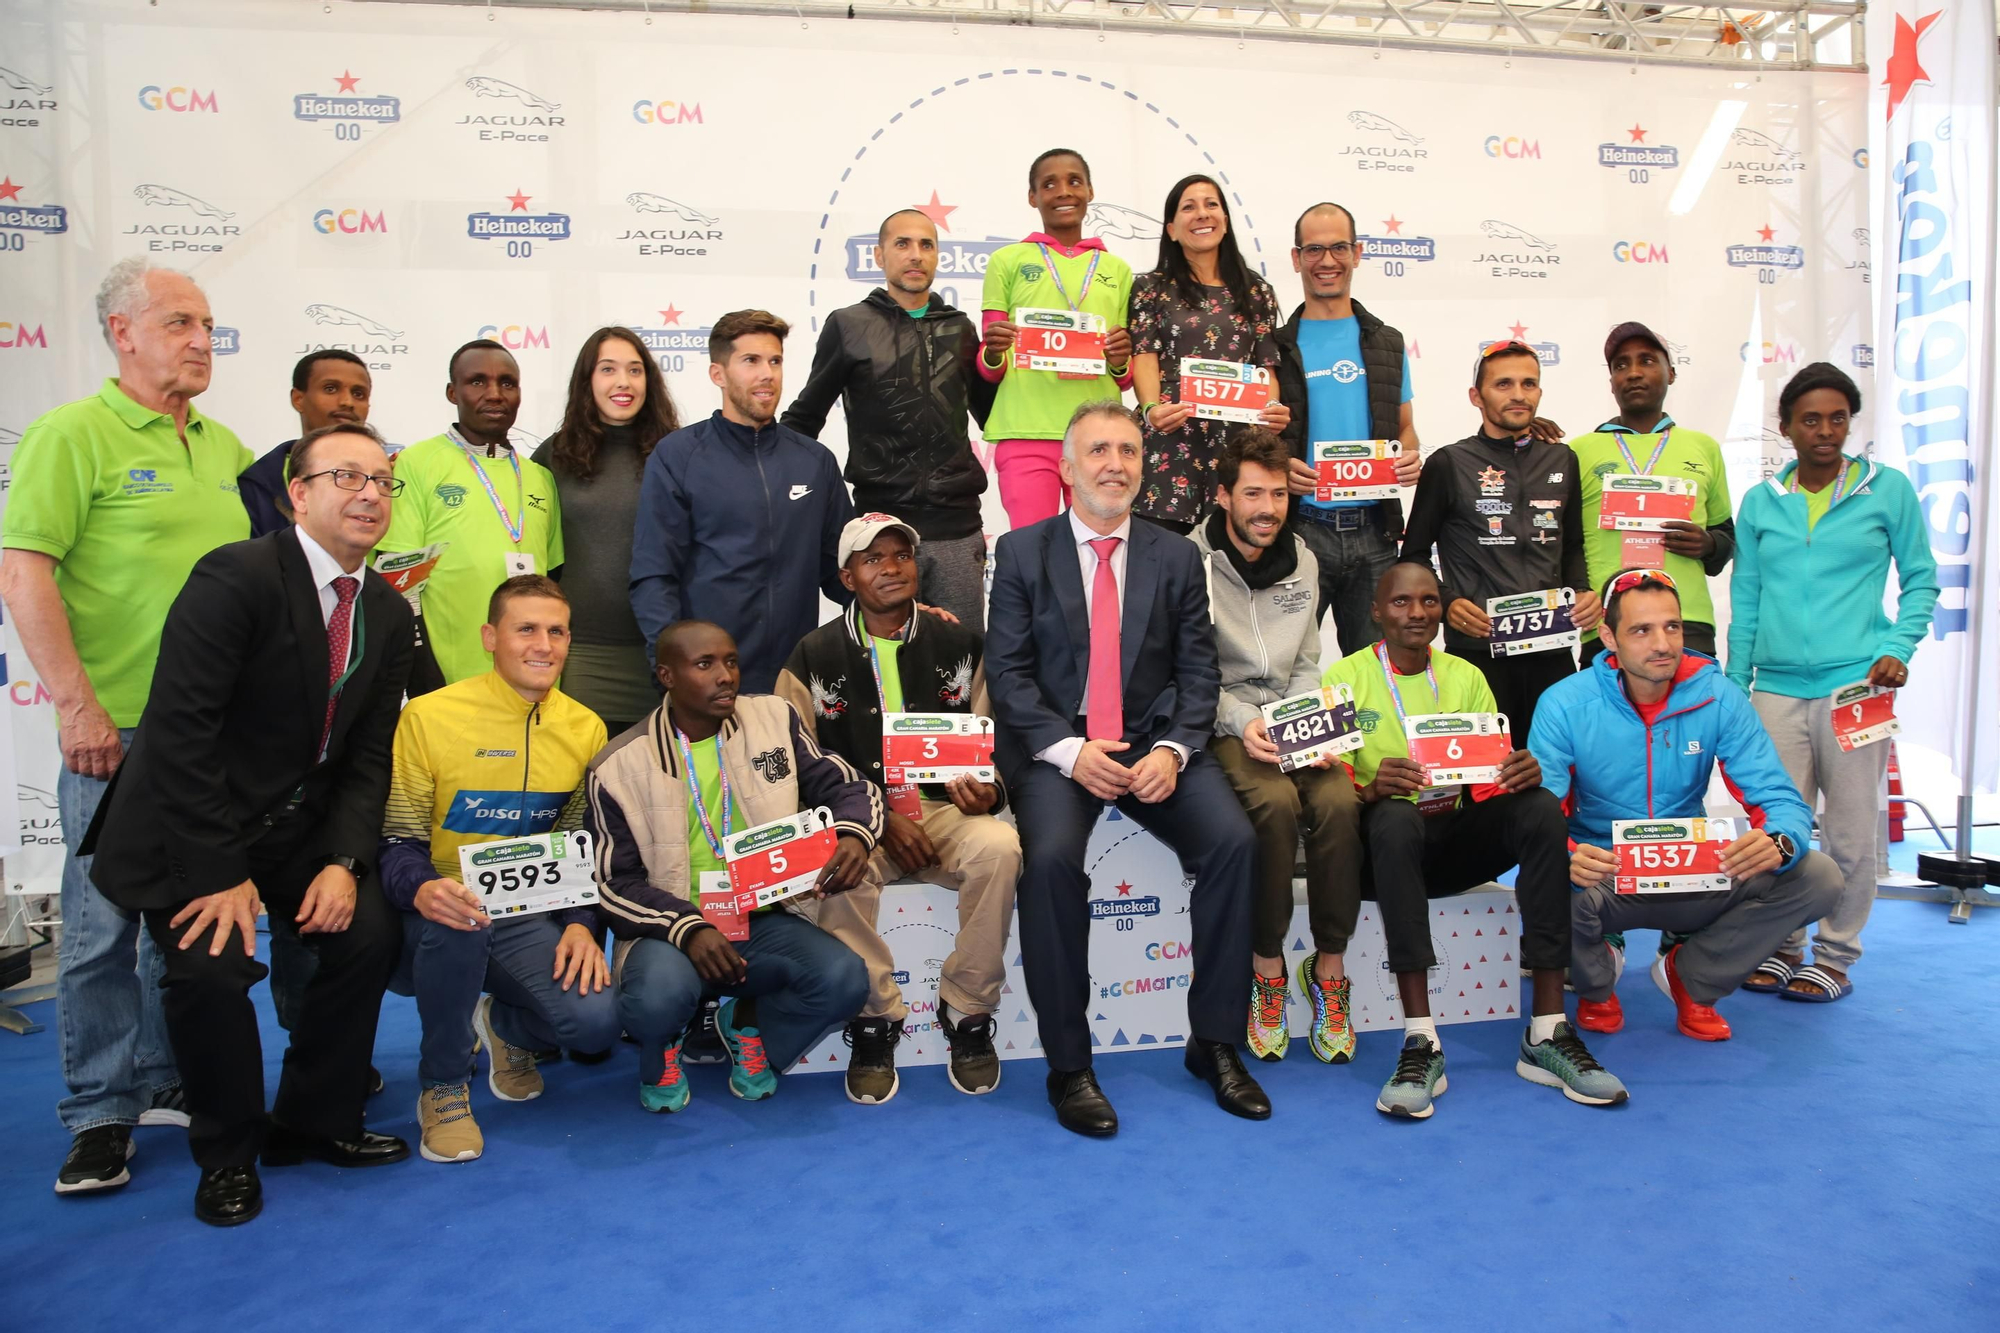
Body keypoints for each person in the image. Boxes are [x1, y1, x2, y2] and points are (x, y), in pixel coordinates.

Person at [78, 422, 415, 1226]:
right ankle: (226, 1152)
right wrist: (221, 872)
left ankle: (313, 1118)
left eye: (382, 480)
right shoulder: (236, 575)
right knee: (207, 968)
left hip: (298, 830)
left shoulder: (391, 611)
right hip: (190, 826)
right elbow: (179, 734)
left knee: (367, 932)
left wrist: (344, 860)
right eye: (346, 476)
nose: (369, 492)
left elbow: (368, 759)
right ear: (297, 494)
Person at [0, 258, 252, 1195]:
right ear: (124, 331)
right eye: (181, 322)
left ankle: (164, 1077)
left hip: (212, 737)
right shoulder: (75, 434)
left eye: (208, 324)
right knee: (103, 925)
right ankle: (99, 1111)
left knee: (181, 925)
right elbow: (23, 574)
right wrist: (75, 703)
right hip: (117, 730)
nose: (201, 339)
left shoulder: (227, 448)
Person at [985, 400, 1267, 1136]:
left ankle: (1214, 1041)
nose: (1116, 464)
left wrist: (1174, 750)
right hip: (1059, 750)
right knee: (1046, 860)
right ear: (1066, 468)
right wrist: (1071, 753)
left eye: (1129, 451)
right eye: (1100, 450)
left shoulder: (1176, 555)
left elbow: (1200, 675)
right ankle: (1069, 1065)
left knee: (1234, 842)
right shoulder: (1021, 552)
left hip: (1151, 743)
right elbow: (1010, 678)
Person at [1323, 561, 1617, 1118]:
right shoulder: (1345, 678)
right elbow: (1323, 783)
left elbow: (1483, 784)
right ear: (1377, 611)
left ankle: (1549, 1028)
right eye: (1403, 602)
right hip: (1379, 851)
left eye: (1430, 601)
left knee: (1538, 810)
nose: (1418, 613)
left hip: (1453, 844)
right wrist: (1367, 788)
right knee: (1392, 817)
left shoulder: (1465, 675)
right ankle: (1419, 1040)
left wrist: (1515, 776)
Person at [1531, 568, 1844, 1041]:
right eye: (1642, 630)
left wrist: (1782, 839)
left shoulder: (1718, 695)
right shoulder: (1563, 703)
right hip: (1606, 873)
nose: (1663, 644)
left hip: (1696, 869)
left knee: (1819, 875)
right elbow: (1539, 814)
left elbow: (1776, 794)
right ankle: (1597, 983)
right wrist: (1567, 854)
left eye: (1672, 626)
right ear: (1608, 637)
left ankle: (1693, 976)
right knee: (1541, 876)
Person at [775, 514, 1021, 1104]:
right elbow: (794, 766)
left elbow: (995, 742)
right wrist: (875, 822)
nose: (890, 567)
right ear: (846, 577)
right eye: (872, 559)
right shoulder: (811, 655)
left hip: (944, 812)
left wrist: (989, 790)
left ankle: (966, 1010)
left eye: (900, 555)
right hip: (858, 822)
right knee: (832, 871)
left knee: (1000, 846)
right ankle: (876, 1020)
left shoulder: (961, 643)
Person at [586, 621, 877, 1113]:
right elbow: (614, 883)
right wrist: (686, 927)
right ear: (666, 676)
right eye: (705, 665)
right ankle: (663, 1047)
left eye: (731, 661)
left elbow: (849, 784)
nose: (726, 676)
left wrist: (853, 833)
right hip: (672, 932)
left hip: (761, 919)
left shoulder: (773, 719)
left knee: (844, 979)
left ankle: (749, 1023)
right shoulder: (616, 766)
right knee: (656, 1000)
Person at [377, 575, 619, 1164]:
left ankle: (507, 1025)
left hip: (524, 915)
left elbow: (576, 845)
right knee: (463, 920)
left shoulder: (587, 727)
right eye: (526, 629)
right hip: (435, 913)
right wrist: (425, 888)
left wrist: (583, 923)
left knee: (597, 1026)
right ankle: (444, 1084)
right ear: (491, 637)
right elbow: (396, 840)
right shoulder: (429, 717)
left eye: (556, 631)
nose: (544, 644)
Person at [1728, 365, 1938, 1003]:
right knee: (1775, 830)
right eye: (1810, 420)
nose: (1826, 431)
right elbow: (1748, 598)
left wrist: (1897, 647)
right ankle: (1781, 945)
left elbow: (1922, 579)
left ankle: (1836, 956)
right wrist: (1737, 684)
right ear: (1787, 427)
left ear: (1851, 422)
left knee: (1850, 830)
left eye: (1838, 418)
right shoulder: (1762, 502)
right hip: (1776, 690)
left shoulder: (1887, 490)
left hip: (1856, 689)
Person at [1190, 428, 1361, 1065]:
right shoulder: (1187, 559)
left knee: (1341, 802)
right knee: (1274, 805)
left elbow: (1309, 661)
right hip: (1224, 720)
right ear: (1224, 496)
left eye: (1280, 494)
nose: (1268, 507)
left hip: (1289, 716)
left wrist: (1311, 719)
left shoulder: (1307, 561)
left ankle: (1330, 972)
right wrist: (1240, 720)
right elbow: (1186, 673)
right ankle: (1266, 971)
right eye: (1253, 493)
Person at [782, 209, 997, 630]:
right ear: (879, 255)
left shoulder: (960, 329)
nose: (915, 255)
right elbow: (806, 417)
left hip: (957, 528)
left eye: (926, 245)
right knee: (883, 670)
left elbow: (996, 417)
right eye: (903, 244)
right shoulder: (848, 326)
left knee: (962, 668)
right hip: (880, 532)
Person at [630, 309, 854, 694]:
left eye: (775, 361)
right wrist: (671, 667)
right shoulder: (678, 456)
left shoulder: (815, 461)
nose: (767, 373)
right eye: (750, 361)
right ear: (718, 374)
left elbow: (843, 573)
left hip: (794, 682)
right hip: (707, 684)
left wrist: (902, 613)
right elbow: (654, 575)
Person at [1399, 341, 1601, 741]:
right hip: (1478, 653)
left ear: (1540, 392)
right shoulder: (1448, 463)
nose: (1518, 394)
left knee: (1554, 771)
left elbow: (1572, 544)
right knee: (1485, 779)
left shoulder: (1562, 458)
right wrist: (1448, 601)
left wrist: (1582, 590)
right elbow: (1413, 558)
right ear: (1477, 396)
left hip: (1552, 649)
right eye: (1503, 384)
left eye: (1529, 384)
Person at [1271, 203, 1422, 653]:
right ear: (1297, 259)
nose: (1327, 261)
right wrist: (1283, 469)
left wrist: (1408, 457)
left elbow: (1406, 428)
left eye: (1338, 247)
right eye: (1314, 249)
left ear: (1357, 253)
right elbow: (1260, 439)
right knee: (1287, 666)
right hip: (1302, 531)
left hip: (1376, 533)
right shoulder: (1275, 345)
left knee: (1377, 671)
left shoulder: (1386, 342)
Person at [379, 339, 563, 689]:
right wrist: (421, 668)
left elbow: (551, 578)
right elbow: (399, 584)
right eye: (478, 381)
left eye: (507, 383)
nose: (494, 393)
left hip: (531, 682)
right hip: (448, 679)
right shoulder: (416, 464)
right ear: (453, 392)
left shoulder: (541, 477)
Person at [531, 326, 680, 735]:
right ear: (587, 381)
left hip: (663, 654)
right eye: (608, 369)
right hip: (583, 656)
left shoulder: (678, 454)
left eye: (635, 370)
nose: (623, 382)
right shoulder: (553, 455)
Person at [977, 149, 1137, 528]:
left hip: (1100, 434)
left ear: (1090, 191)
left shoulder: (1118, 269)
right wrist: (996, 351)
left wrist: (1119, 358)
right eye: (1049, 184)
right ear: (1033, 197)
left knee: (1103, 548)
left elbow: (1126, 375)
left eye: (1074, 181)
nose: (1063, 192)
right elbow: (988, 366)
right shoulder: (1007, 260)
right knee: (1034, 552)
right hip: (1026, 430)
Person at [1129, 175, 1289, 533]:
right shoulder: (1149, 289)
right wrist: (1152, 410)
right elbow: (1144, 355)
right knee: (1164, 567)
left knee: (1231, 561)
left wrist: (1272, 412)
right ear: (1171, 229)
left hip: (1238, 447)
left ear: (1226, 221)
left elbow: (1267, 368)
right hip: (1170, 443)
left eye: (1211, 204)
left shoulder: (1257, 291)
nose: (1202, 214)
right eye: (1189, 207)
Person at [1570, 323, 1735, 658]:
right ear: (1611, 383)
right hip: (1608, 622)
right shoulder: (1576, 451)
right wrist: (1580, 590)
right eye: (1621, 365)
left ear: (1671, 373)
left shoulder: (1704, 447)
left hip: (1688, 621)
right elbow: (1564, 541)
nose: (1633, 373)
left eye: (1646, 361)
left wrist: (1709, 543)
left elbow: (1725, 534)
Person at [238, 349, 374, 539]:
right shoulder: (261, 484)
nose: (347, 402)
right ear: (298, 399)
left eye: (358, 394)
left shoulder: (387, 482)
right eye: (330, 389)